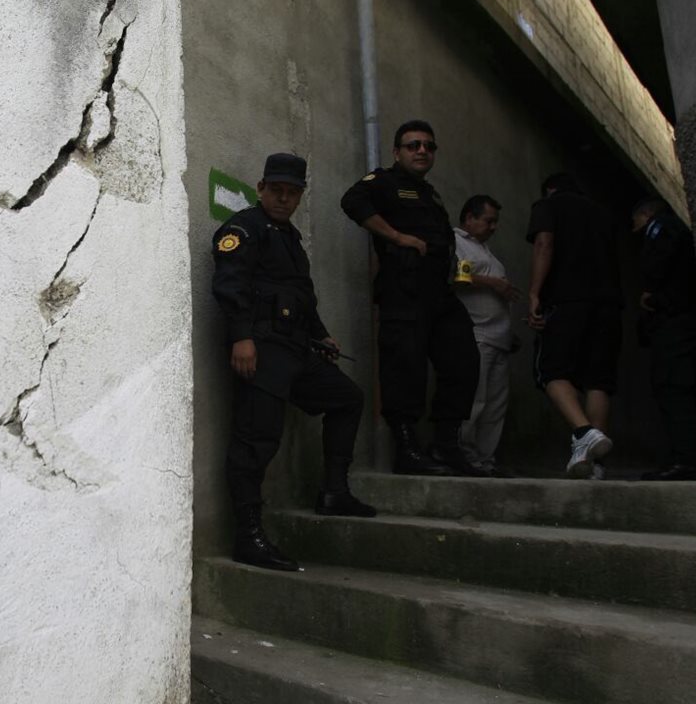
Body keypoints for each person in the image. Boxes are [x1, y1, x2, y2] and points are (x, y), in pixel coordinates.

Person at [213, 152, 375, 573]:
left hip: (296, 350)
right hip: (261, 351)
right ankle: (248, 536)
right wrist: (241, 337)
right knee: (256, 442)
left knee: (346, 398)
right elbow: (231, 286)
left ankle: (335, 491)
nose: (284, 199)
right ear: (261, 188)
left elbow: (301, 294)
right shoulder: (244, 229)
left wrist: (321, 335)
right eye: (277, 191)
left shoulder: (290, 238)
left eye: (293, 193)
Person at [340, 120, 482, 476]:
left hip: (439, 293)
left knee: (463, 360)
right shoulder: (385, 182)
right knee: (405, 368)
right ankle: (406, 451)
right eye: (413, 145)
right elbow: (351, 201)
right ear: (397, 152)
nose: (422, 151)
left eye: (429, 146)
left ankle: (447, 444)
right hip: (404, 291)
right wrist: (397, 237)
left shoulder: (430, 194)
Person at [525, 172, 621, 478]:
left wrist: (535, 293)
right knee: (597, 380)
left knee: (551, 371)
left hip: (567, 301)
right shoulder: (603, 214)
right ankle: (595, 464)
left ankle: (583, 433)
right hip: (607, 305)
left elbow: (544, 243)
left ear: (550, 190)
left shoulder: (549, 205)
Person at [631, 198, 696, 480]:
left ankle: (688, 460)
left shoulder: (662, 227)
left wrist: (652, 294)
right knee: (693, 389)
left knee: (673, 387)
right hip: (688, 320)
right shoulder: (680, 228)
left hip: (675, 321)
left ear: (645, 215)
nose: (636, 231)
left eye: (636, 224)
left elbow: (659, 264)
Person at [453, 195, 520, 476]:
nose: (493, 227)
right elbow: (455, 276)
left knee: (494, 406)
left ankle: (486, 460)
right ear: (469, 218)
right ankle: (466, 457)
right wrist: (492, 283)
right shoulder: (457, 242)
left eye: (495, 222)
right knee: (475, 402)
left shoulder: (486, 250)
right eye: (488, 220)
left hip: (499, 339)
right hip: (477, 336)